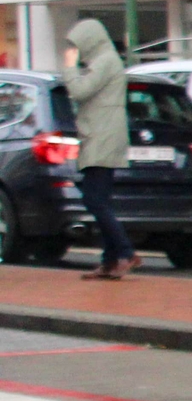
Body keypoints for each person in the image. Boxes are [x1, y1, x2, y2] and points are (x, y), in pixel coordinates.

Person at [63, 19, 135, 280]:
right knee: (99, 199)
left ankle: (125, 252)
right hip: (100, 135)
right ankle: (110, 260)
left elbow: (80, 90)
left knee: (94, 200)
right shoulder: (103, 61)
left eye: (77, 45)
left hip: (102, 136)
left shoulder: (105, 61)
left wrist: (70, 67)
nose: (74, 50)